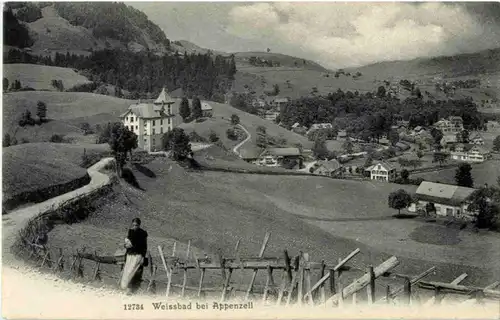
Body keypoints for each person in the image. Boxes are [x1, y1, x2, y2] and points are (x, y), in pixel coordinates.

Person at [120, 218, 148, 294]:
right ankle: (125, 288)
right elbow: (127, 243)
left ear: (139, 225)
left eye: (136, 225)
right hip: (130, 254)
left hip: (137, 255)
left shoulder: (143, 233)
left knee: (132, 271)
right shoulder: (130, 231)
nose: (135, 226)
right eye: (133, 225)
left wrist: (143, 256)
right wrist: (126, 246)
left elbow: (144, 247)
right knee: (127, 271)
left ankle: (130, 289)